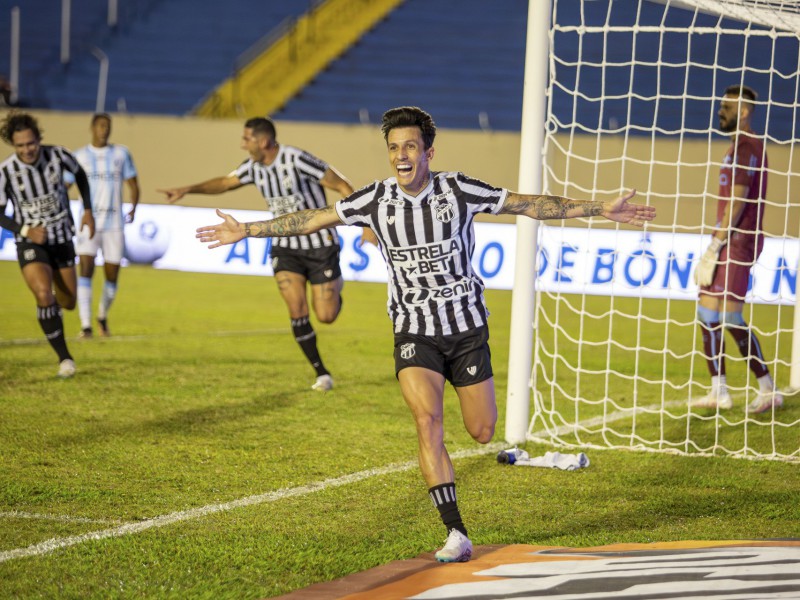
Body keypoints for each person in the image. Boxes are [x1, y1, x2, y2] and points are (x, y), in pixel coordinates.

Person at [195, 106, 656, 562]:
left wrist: (599, 208)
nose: (401, 155)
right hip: (413, 329)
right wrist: (249, 229)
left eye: (410, 146)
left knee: (482, 430)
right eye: (394, 147)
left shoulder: (458, 190)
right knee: (427, 422)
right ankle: (456, 532)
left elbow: (527, 204)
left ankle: (466, 481)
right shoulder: (373, 199)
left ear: (428, 152)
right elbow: (312, 218)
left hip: (466, 327)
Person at [160, 117, 367, 391]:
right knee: (296, 308)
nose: (243, 144)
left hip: (320, 244)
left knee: (326, 315)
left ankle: (335, 287)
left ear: (264, 141)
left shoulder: (297, 159)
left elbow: (340, 184)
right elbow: (224, 182)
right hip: (284, 246)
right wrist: (188, 189)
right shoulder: (253, 168)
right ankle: (322, 373)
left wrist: (363, 221)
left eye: (247, 139)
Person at [691, 85, 783, 414]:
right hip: (727, 240)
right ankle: (720, 392)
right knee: (707, 313)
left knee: (729, 316)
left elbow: (739, 200)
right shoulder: (736, 147)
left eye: (726, 107)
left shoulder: (747, 146)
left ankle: (769, 389)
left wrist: (715, 245)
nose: (720, 111)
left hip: (738, 241)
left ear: (743, 112)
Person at [0, 111, 95, 377]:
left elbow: (82, 177)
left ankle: (53, 311)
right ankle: (65, 358)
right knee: (44, 294)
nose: (27, 149)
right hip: (31, 243)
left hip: (62, 238)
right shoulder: (6, 172)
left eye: (31, 143)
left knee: (68, 302)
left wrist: (87, 210)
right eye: (20, 145)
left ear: (38, 139)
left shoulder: (58, 155)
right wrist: (25, 230)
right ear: (13, 144)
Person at [66, 113, 140, 338]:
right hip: (89, 223)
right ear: (92, 128)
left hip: (115, 224)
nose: (104, 130)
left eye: (107, 126)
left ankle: (102, 316)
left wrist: (134, 207)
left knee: (112, 275)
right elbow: (65, 186)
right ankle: (86, 325)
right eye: (100, 126)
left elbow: (134, 184)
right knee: (86, 269)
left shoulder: (121, 153)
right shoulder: (79, 156)